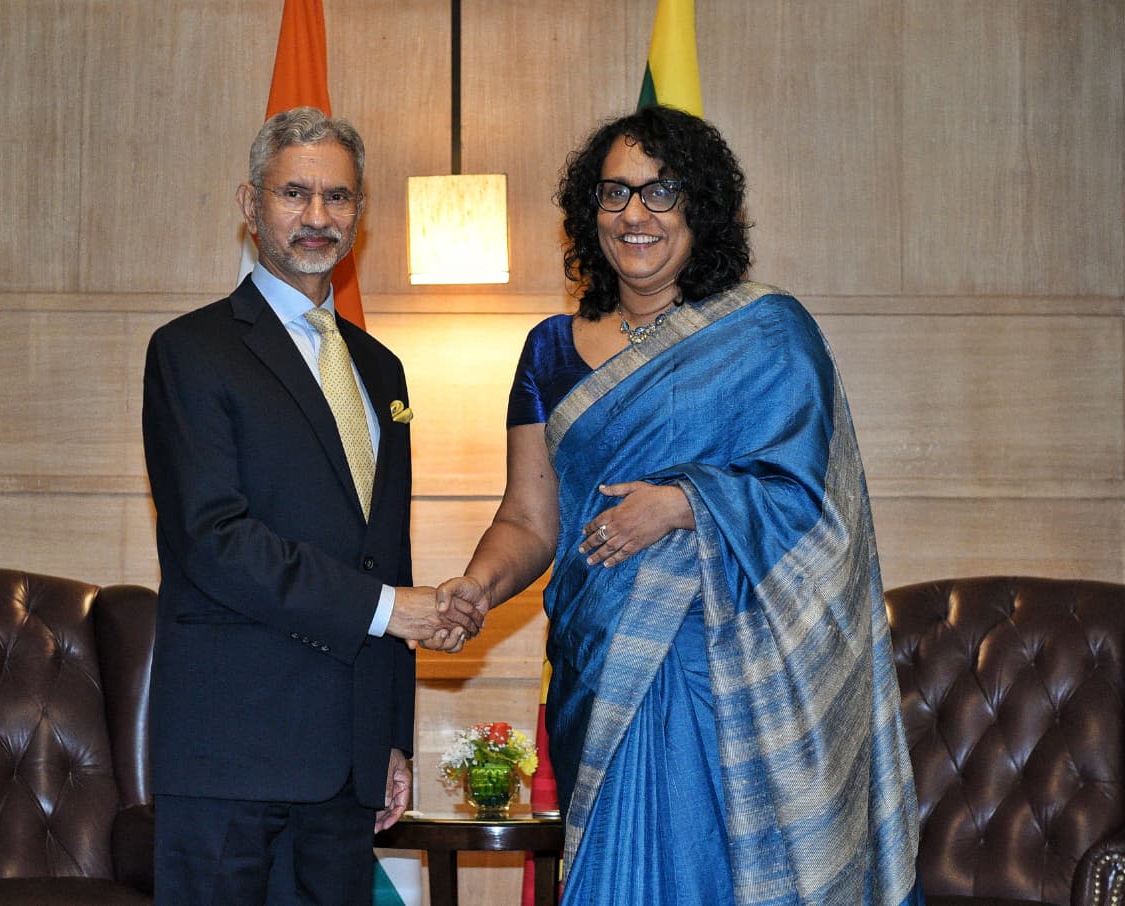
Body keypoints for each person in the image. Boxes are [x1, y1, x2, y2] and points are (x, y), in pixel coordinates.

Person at [437, 105, 923, 904]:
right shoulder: (549, 350)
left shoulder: (767, 334)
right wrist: (478, 586)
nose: (635, 213)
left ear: (701, 206)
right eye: (615, 192)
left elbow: (815, 510)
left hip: (720, 673)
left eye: (661, 191)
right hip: (599, 666)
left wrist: (683, 504)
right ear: (589, 212)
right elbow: (527, 520)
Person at [142, 106, 481, 905]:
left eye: (339, 196)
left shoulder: (381, 369)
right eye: (295, 193)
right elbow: (214, 539)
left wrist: (390, 739)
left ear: (360, 212)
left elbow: (383, 551)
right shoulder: (191, 351)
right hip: (231, 754)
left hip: (346, 767)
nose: (318, 216)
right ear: (249, 203)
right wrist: (388, 607)